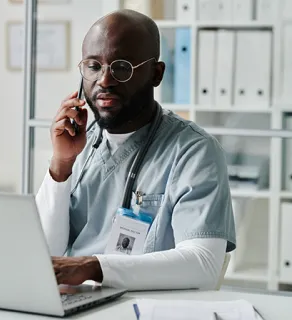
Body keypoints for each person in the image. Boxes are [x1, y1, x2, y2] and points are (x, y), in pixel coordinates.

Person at [35, 9, 236, 291]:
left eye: (121, 67)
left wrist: (93, 266)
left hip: (147, 307)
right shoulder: (78, 145)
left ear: (156, 73)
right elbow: (44, 256)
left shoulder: (193, 151)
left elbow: (203, 264)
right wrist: (61, 164)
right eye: (93, 66)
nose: (104, 80)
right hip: (76, 303)